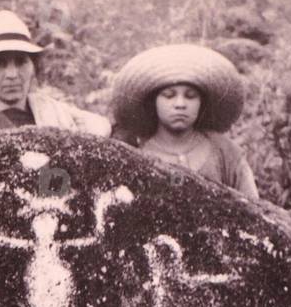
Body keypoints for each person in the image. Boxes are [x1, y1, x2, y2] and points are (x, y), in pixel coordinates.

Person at [110, 43, 259, 199]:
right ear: (154, 102)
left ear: (201, 103)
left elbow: (254, 206)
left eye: (190, 96)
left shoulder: (225, 152)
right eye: (169, 96)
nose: (180, 104)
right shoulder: (136, 153)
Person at [0, 10, 110, 138]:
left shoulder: (54, 115)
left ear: (33, 67)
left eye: (21, 62)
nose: (12, 74)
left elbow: (102, 129)